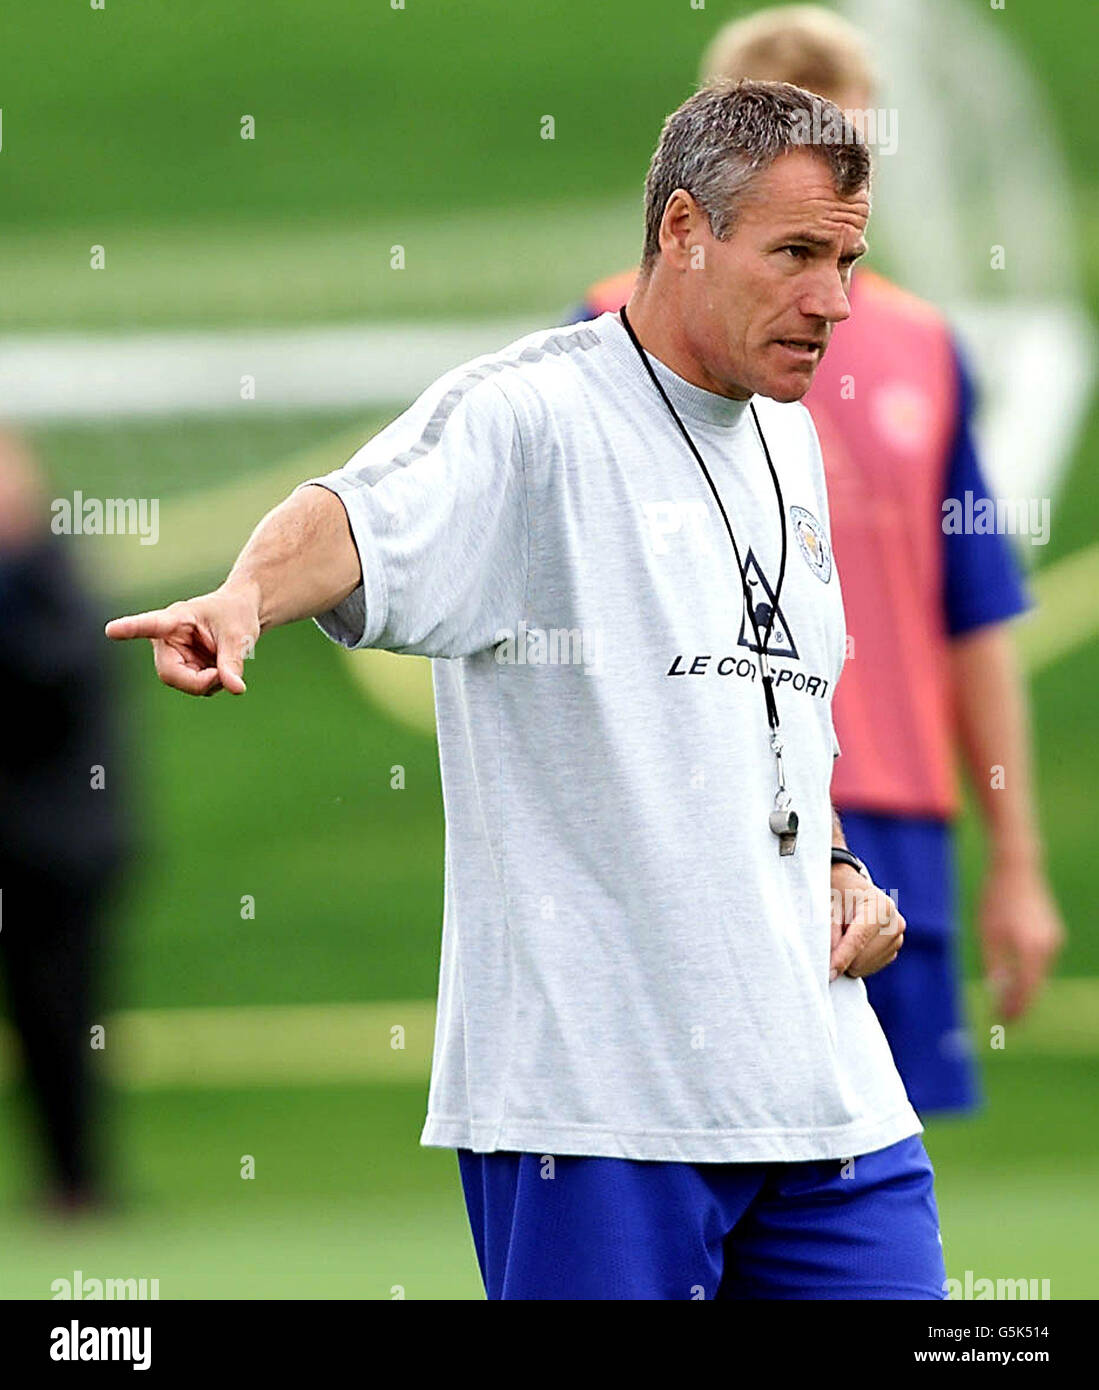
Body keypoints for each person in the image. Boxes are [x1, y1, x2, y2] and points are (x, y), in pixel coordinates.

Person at [107, 80, 946, 1300]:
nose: (834, 300)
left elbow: (771, 721)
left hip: (830, 1102)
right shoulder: (530, 416)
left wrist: (831, 867)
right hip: (596, 1112)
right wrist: (243, 595)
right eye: (799, 254)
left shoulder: (791, 439)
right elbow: (357, 514)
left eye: (850, 258)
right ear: (681, 232)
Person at [570, 5, 1064, 1116]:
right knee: (701, 1145)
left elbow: (971, 614)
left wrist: (1018, 860)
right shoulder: (606, 331)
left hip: (891, 807)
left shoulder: (928, 352)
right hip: (694, 805)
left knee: (874, 1168)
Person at [0, 433, 130, 1212]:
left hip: (54, 849)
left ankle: (76, 1184)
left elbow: (49, 683)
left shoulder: (50, 579)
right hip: (26, 843)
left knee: (61, 1020)